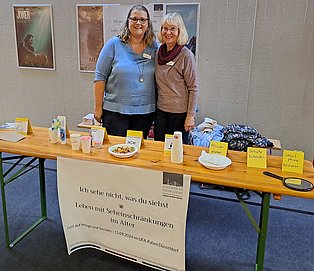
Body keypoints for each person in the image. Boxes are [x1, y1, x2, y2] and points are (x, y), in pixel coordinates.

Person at [93, 5, 158, 138]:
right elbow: (100, 77)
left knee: (137, 152)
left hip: (144, 113)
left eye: (142, 19)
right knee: (116, 153)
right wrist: (98, 108)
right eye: (134, 18)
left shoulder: (154, 47)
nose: (138, 23)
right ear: (128, 21)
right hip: (115, 112)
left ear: (148, 23)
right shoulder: (113, 44)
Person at [154, 13, 199, 144]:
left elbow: (193, 88)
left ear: (179, 31)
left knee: (176, 152)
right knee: (160, 149)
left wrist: (190, 116)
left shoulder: (186, 55)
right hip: (161, 112)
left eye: (173, 28)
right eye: (165, 28)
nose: (168, 32)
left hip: (180, 115)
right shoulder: (158, 53)